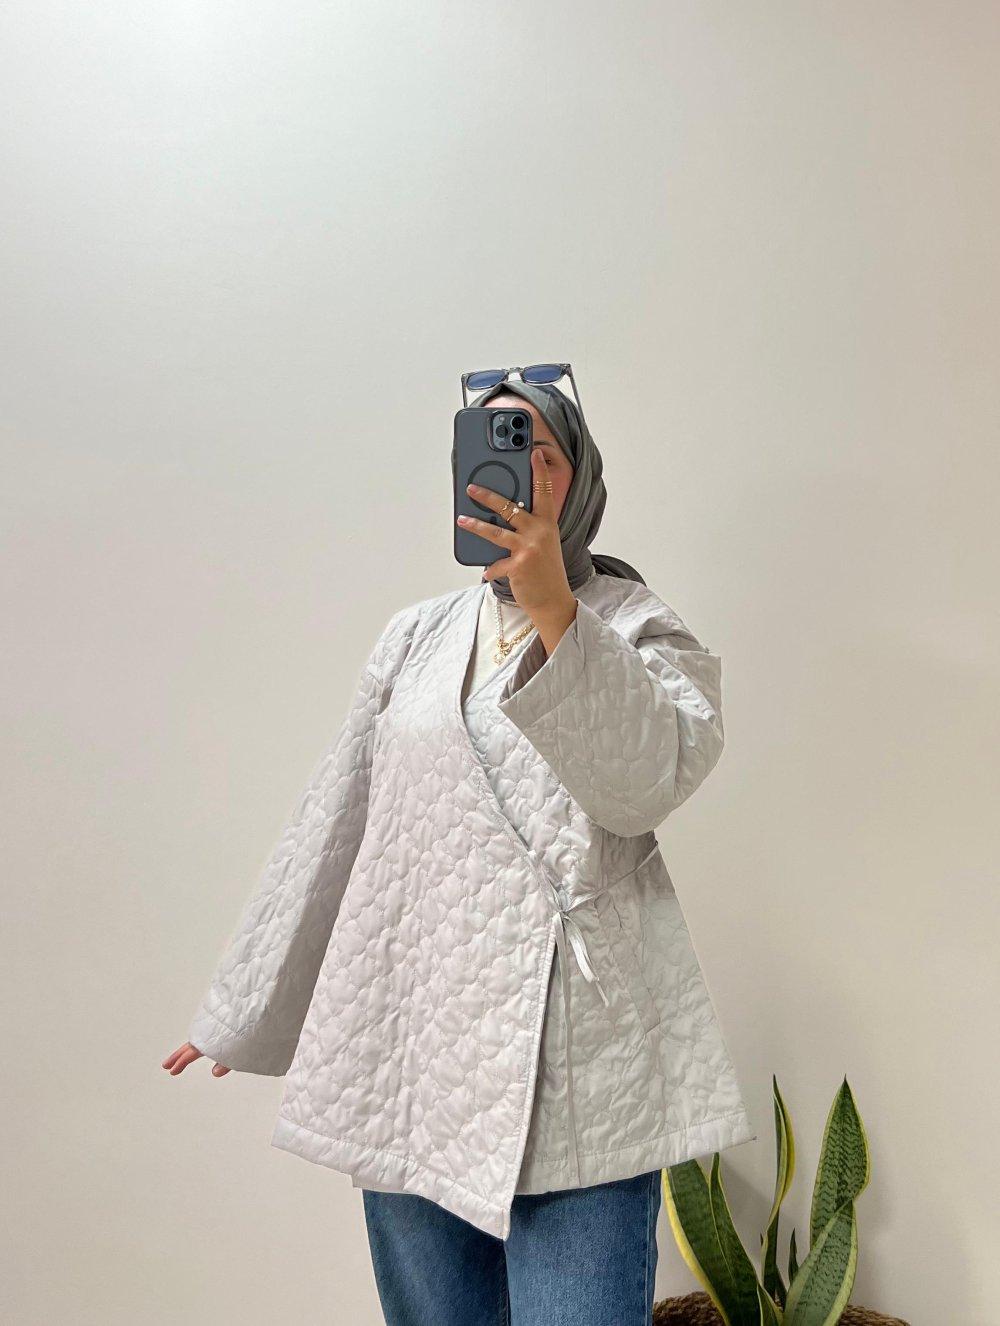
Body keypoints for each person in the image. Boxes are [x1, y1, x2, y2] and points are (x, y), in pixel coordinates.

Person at [163, 378, 755, 1325]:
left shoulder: (640, 625)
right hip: (414, 1045)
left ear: (579, 480)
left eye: (541, 453)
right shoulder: (415, 638)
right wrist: (244, 1006)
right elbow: (339, 817)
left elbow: (644, 786)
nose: (521, 473)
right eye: (495, 448)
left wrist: (557, 610)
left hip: (579, 1069)